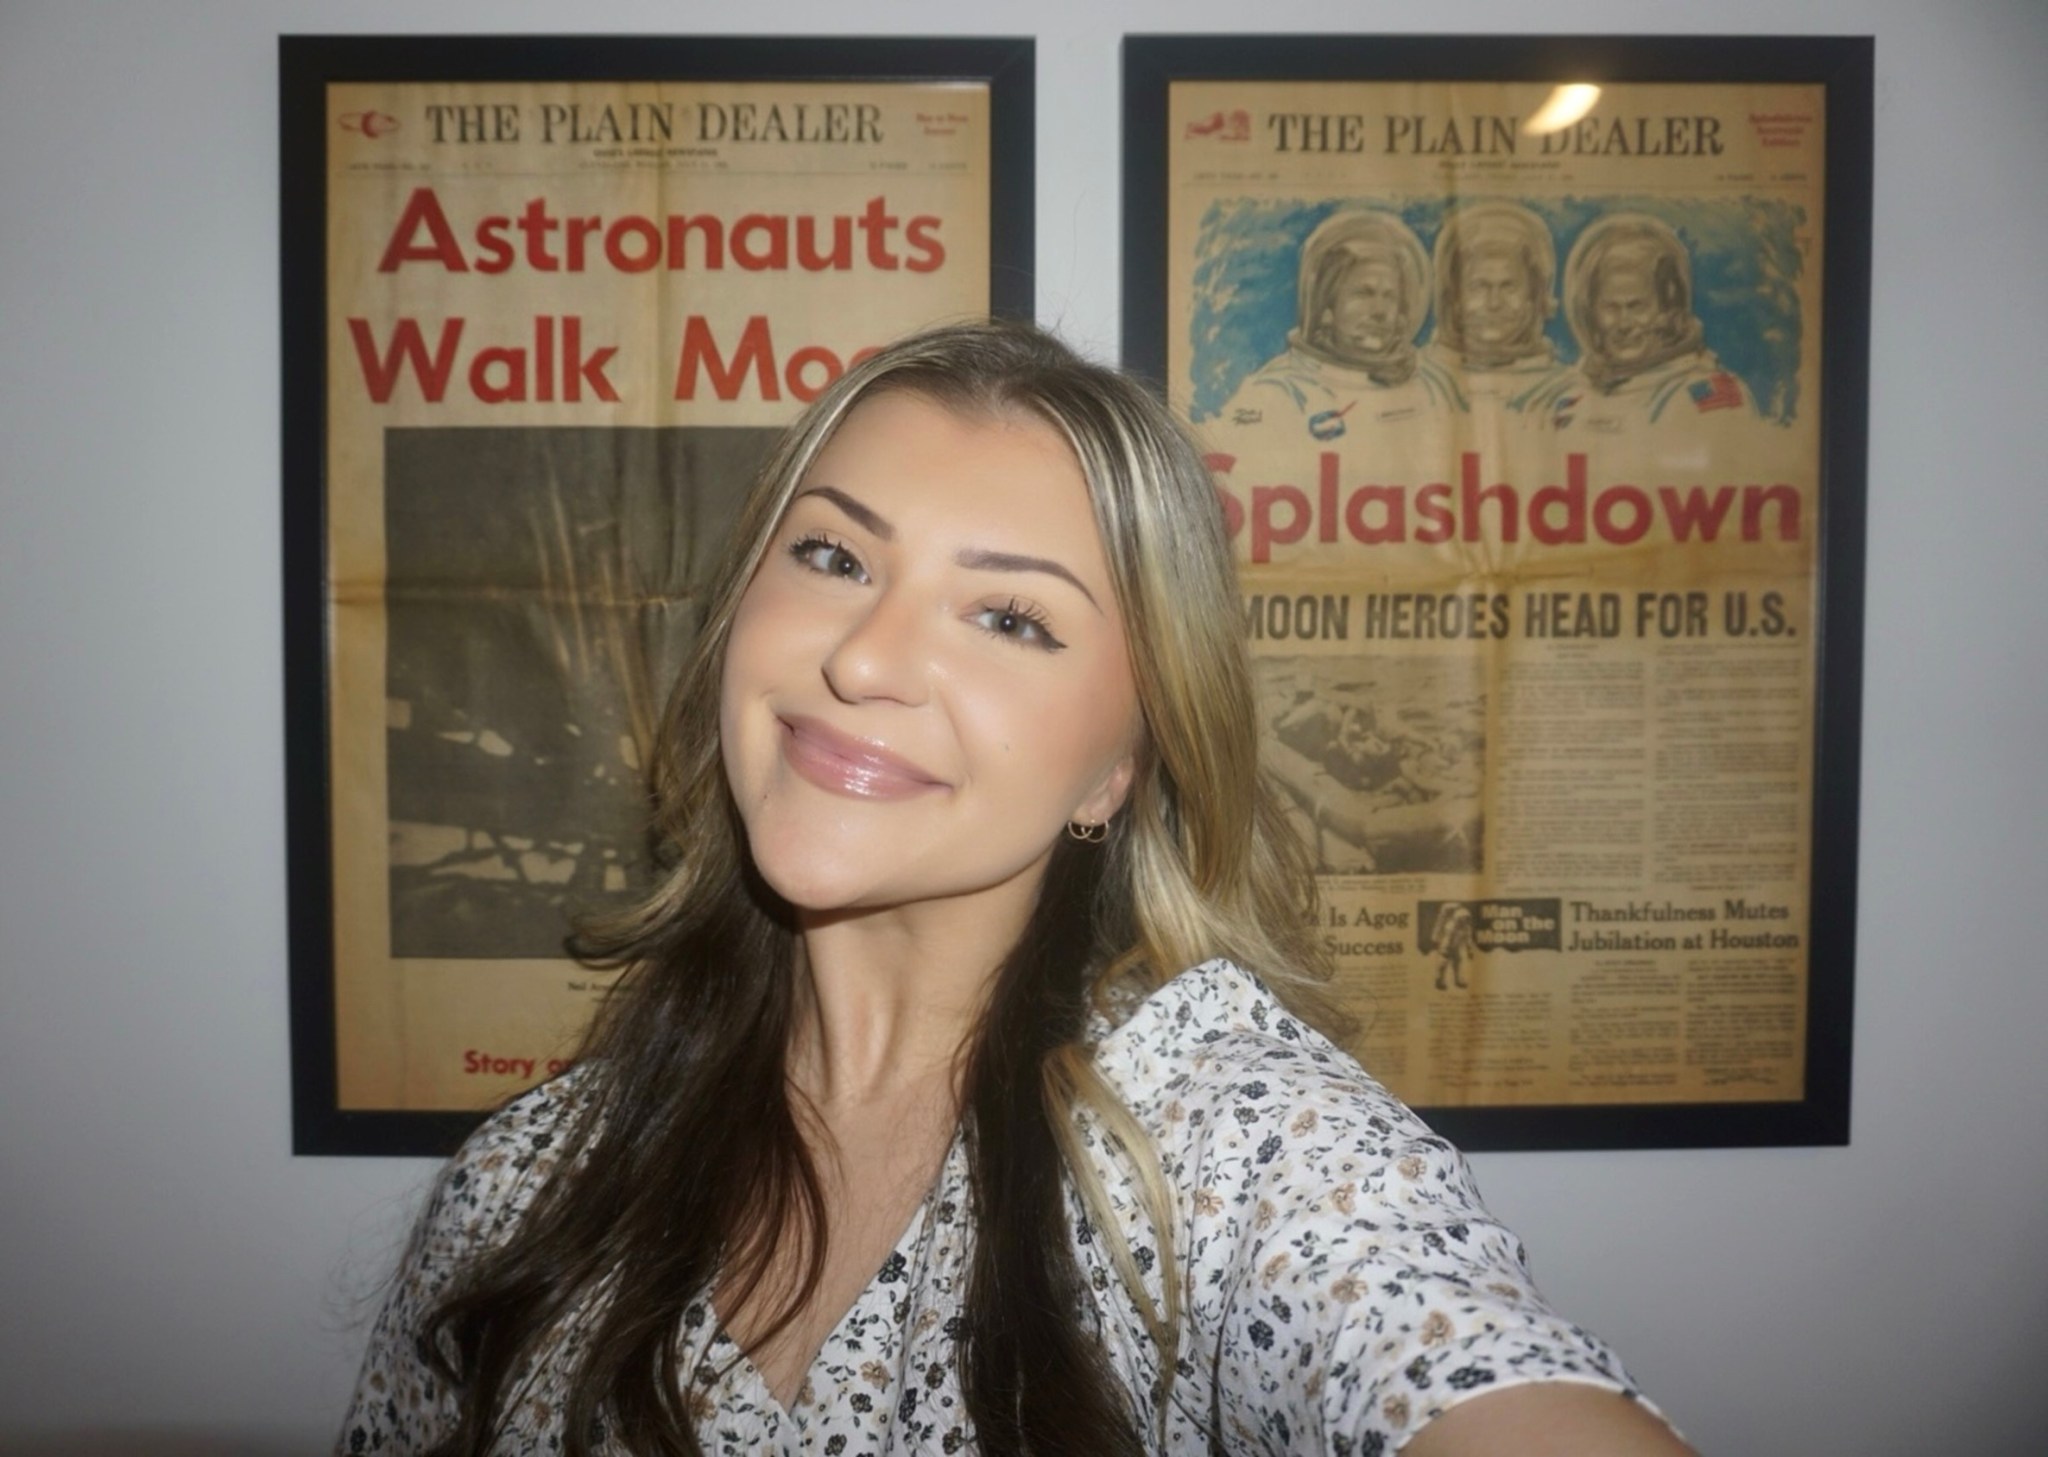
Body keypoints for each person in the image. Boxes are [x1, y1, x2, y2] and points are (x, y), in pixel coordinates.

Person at [340, 319, 1691, 1456]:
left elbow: (1443, 1349)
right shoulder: (528, 1181)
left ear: (1118, 765)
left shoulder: (1223, 1148)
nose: (867, 658)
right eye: (832, 555)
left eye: (1011, 618)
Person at [1220, 208, 1464, 446]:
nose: (1380, 311)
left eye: (1389, 296)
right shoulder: (1280, 392)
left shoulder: (1433, 389)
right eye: (1363, 293)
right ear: (1327, 308)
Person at [1530, 213, 1759, 436]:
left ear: (1667, 309)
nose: (1624, 324)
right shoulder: (1568, 401)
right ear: (1591, 314)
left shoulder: (1708, 396)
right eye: (1611, 307)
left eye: (1636, 307)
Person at [1423, 201, 1574, 417]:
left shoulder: (1568, 390)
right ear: (1453, 297)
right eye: (1478, 287)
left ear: (1535, 296)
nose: (1494, 303)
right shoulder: (1420, 381)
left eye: (1509, 286)